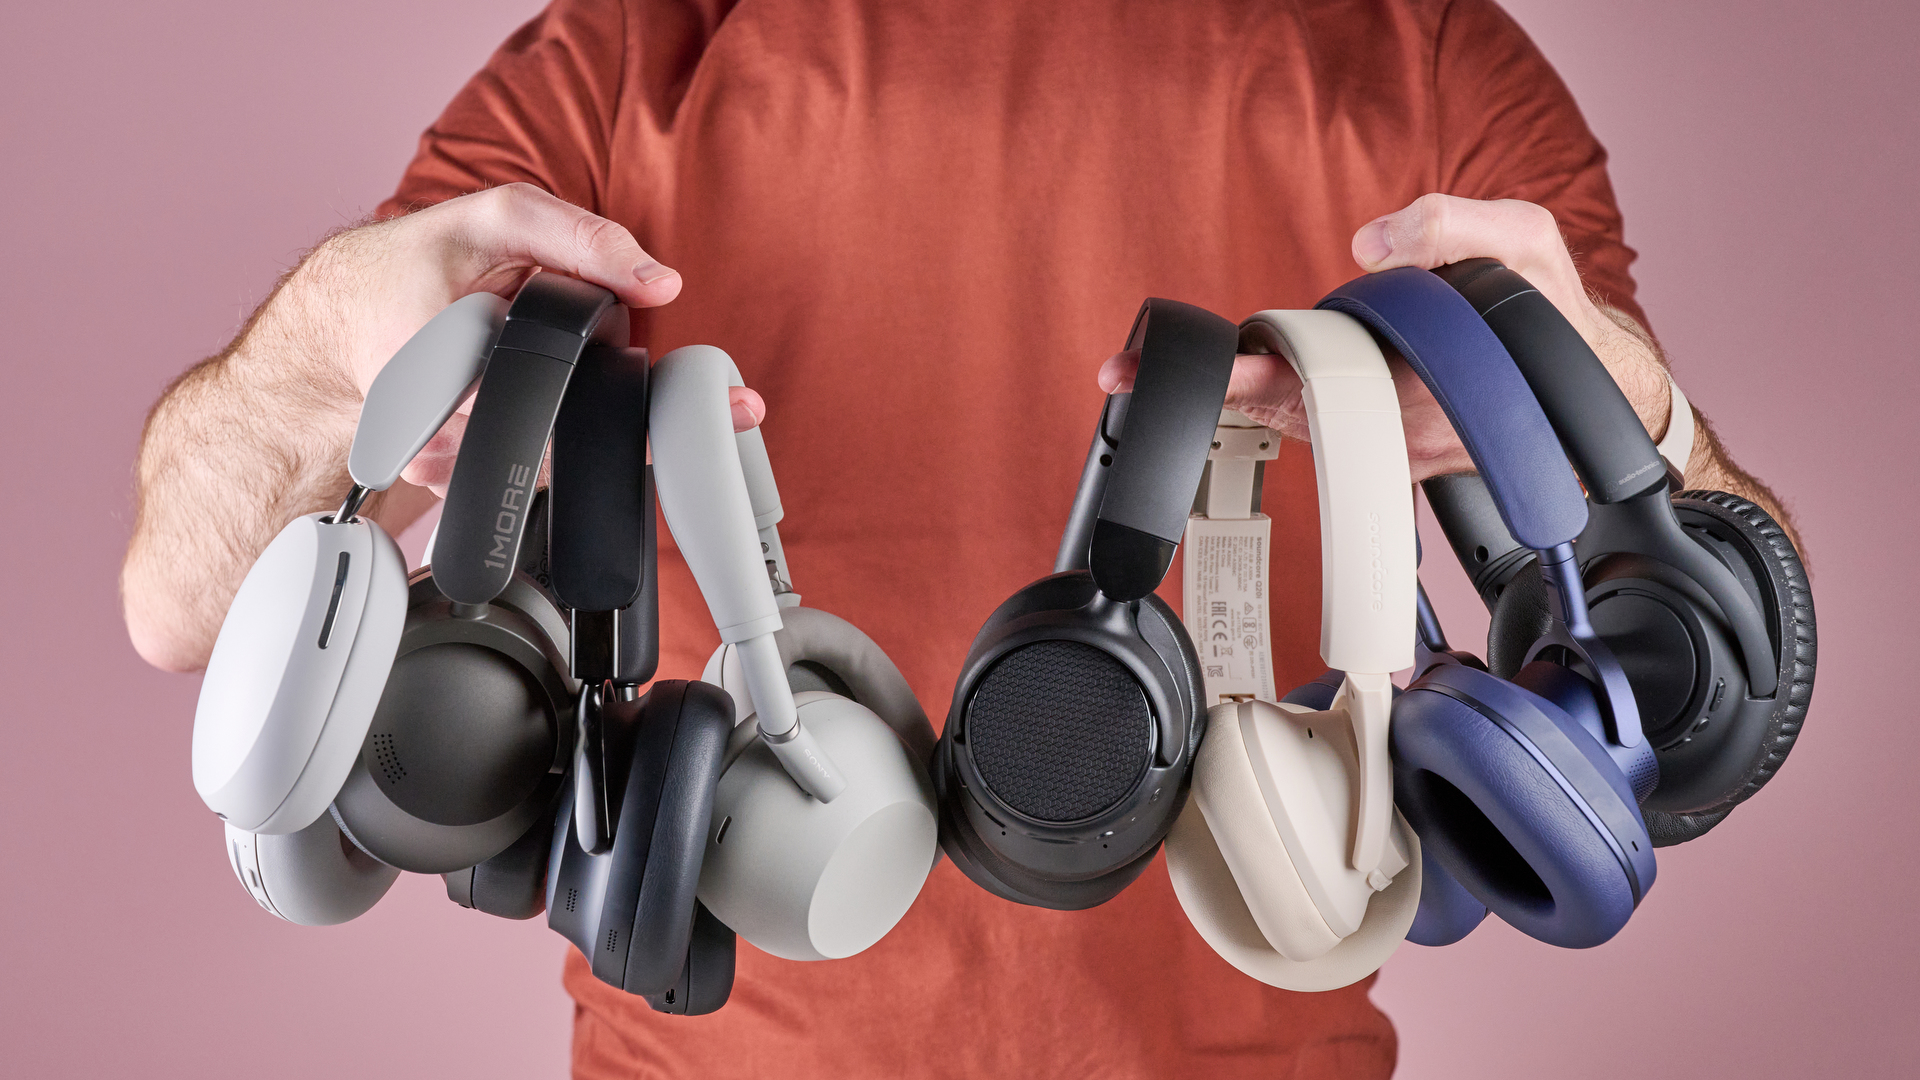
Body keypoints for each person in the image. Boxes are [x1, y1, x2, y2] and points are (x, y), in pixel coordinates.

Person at [121, 1, 1795, 1075]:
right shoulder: (624, 63)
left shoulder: (1425, 62)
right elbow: (177, 608)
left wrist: (1629, 417)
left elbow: (1718, 651)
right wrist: (321, 344)